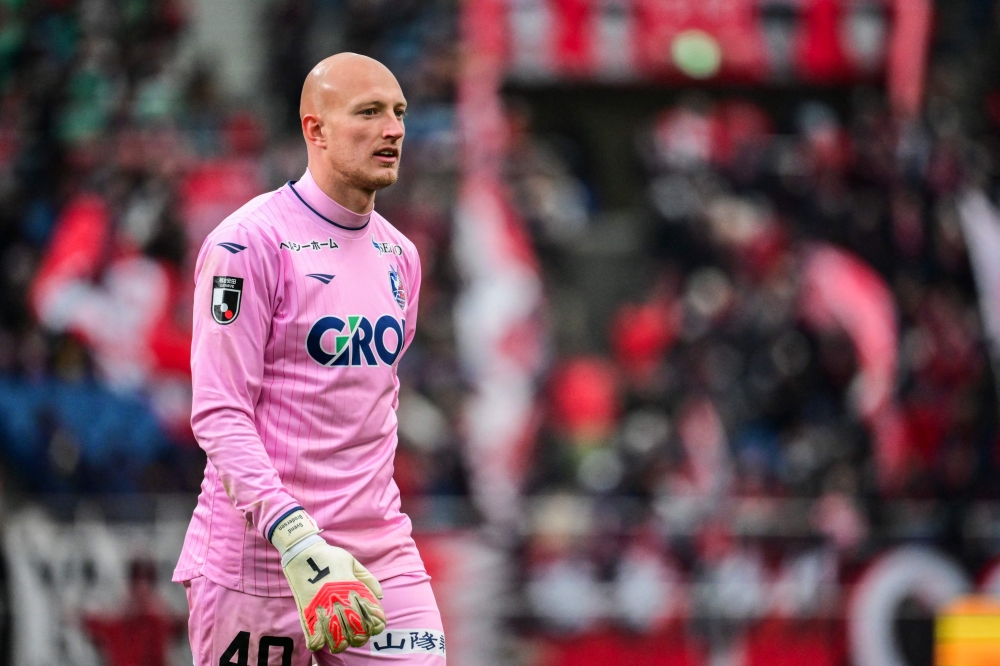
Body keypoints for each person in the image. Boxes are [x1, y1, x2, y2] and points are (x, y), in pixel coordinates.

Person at [173, 53, 445, 665]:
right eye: (369, 112)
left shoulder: (401, 255)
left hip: (378, 558)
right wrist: (296, 539)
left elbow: (374, 404)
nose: (394, 129)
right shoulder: (246, 245)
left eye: (399, 112)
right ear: (314, 129)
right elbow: (219, 412)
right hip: (262, 561)